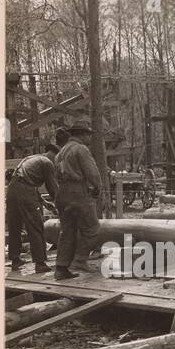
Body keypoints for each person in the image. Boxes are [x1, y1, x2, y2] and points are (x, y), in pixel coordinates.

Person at [53, 119, 103, 280]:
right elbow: (92, 173)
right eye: (88, 134)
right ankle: (80, 259)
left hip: (62, 193)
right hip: (77, 192)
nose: (89, 138)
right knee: (92, 228)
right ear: (81, 134)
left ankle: (61, 268)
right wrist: (97, 188)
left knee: (67, 231)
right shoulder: (80, 149)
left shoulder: (60, 152)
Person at [5, 140, 60, 273]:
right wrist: (60, 205)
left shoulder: (31, 159)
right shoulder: (48, 163)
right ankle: (40, 263)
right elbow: (52, 188)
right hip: (24, 191)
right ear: (54, 155)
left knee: (15, 226)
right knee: (35, 225)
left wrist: (44, 202)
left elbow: (25, 180)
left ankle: (15, 259)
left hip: (12, 190)